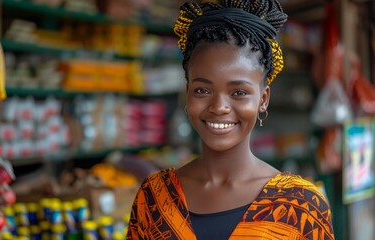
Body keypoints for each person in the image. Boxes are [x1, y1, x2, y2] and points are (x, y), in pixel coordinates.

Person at [126, 0, 335, 239]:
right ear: (187, 94)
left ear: (263, 99)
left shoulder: (302, 205)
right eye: (203, 90)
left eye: (239, 93)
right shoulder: (153, 197)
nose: (219, 107)